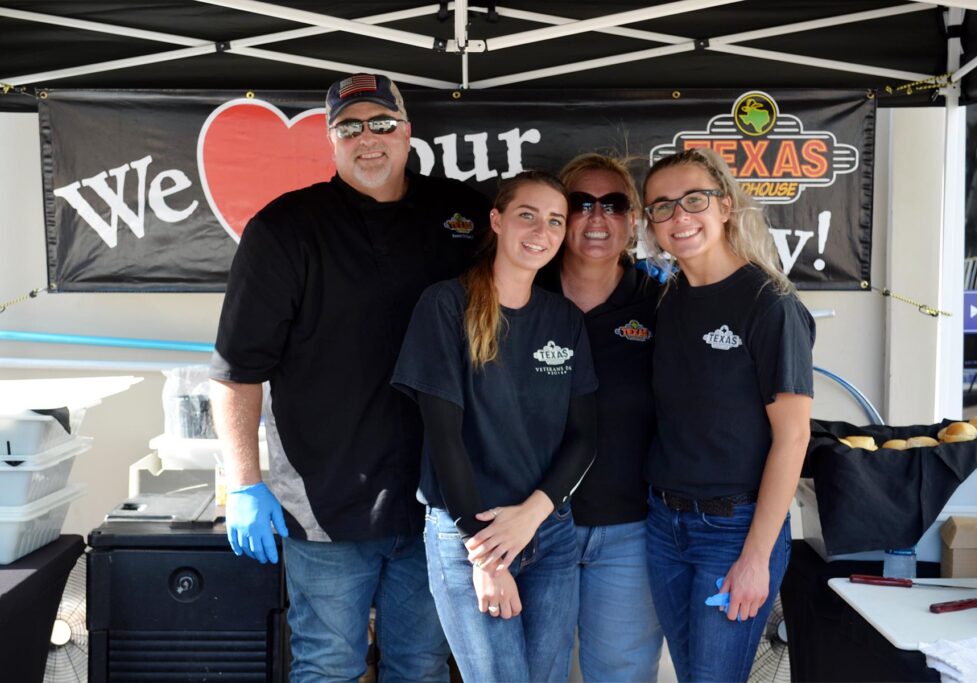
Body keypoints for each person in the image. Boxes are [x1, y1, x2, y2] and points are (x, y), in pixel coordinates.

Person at [208, 72, 491, 682]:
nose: (369, 139)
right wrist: (243, 485)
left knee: (419, 666)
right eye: (350, 127)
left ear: (407, 131)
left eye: (382, 123)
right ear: (331, 141)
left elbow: (535, 267)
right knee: (327, 665)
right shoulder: (284, 229)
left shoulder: (462, 214)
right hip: (325, 505)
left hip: (439, 498)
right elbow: (237, 371)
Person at [391, 171, 599, 683]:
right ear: (497, 220)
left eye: (555, 221)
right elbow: (444, 439)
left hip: (548, 532)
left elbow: (586, 436)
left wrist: (533, 514)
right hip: (469, 535)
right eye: (527, 215)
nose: (541, 231)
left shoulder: (564, 319)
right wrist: (485, 556)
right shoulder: (445, 305)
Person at [641, 148, 815, 682]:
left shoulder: (770, 304)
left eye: (694, 199)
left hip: (733, 528)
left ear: (725, 207)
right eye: (663, 207)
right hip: (663, 522)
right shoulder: (667, 300)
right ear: (650, 224)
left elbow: (792, 438)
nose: (679, 217)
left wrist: (756, 557)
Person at [535, 153, 664, 682]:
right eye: (580, 204)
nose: (596, 217)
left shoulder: (661, 303)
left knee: (622, 675)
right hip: (533, 528)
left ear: (632, 221)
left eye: (613, 204)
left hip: (628, 531)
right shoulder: (520, 295)